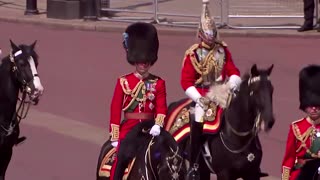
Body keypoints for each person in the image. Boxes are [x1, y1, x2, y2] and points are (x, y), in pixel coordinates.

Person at [180, 0, 241, 178]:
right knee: (199, 116)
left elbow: (233, 71)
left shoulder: (223, 50)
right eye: (207, 33)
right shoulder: (193, 54)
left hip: (222, 92)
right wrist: (199, 98)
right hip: (203, 95)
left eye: (212, 33)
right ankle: (195, 163)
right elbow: (186, 81)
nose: (210, 36)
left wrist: (230, 86)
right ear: (200, 34)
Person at [109, 22, 168, 180]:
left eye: (146, 60)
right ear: (135, 60)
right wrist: (115, 137)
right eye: (141, 61)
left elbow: (161, 108)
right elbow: (115, 110)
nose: (144, 63)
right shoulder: (123, 82)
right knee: (121, 159)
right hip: (129, 129)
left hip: (150, 129)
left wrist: (158, 124)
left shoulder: (159, 83)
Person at [281, 64, 320, 180]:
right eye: (310, 105)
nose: (313, 109)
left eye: (317, 105)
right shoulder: (296, 127)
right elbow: (289, 159)